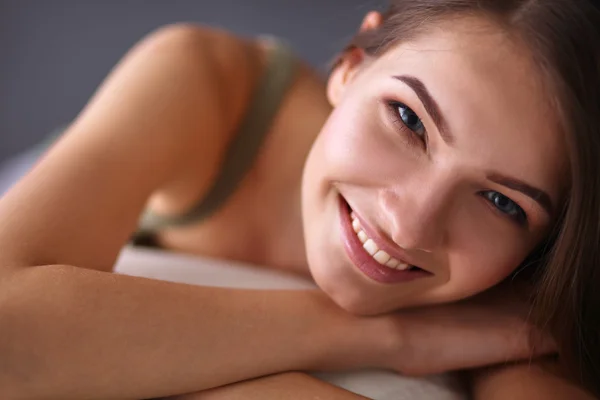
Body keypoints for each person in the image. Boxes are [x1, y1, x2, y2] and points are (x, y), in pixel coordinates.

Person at [0, 0, 598, 399]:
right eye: (408, 120)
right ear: (350, 66)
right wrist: (388, 338)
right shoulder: (210, 87)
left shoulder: (520, 286)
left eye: (500, 202)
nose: (410, 224)